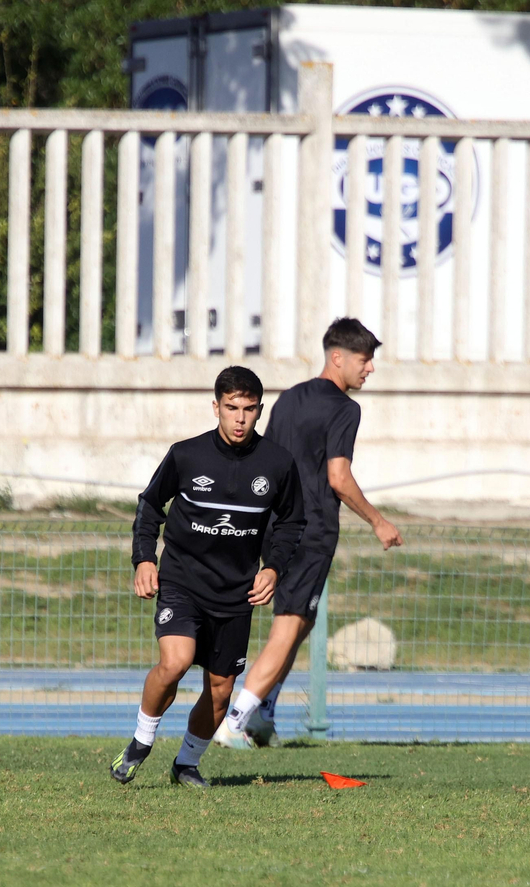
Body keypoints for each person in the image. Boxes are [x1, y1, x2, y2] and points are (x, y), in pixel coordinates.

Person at [110, 367, 305, 787]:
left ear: (259, 410)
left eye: (249, 409)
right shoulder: (186, 455)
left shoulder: (278, 463)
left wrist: (272, 567)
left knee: (220, 691)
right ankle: (141, 741)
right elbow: (149, 507)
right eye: (231, 408)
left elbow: (292, 523)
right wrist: (144, 559)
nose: (240, 418)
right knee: (175, 661)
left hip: (236, 593)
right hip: (182, 582)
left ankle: (186, 764)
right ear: (215, 407)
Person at [213, 318, 403, 749]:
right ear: (337, 357)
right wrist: (378, 520)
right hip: (312, 529)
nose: (369, 368)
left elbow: (266, 461)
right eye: (364, 359)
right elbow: (338, 477)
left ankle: (263, 716)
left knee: (304, 621)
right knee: (290, 623)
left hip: (275, 527)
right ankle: (234, 721)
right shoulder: (345, 409)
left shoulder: (289, 399)